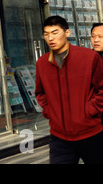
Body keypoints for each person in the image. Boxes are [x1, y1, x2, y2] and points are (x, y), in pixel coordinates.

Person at [35, 16, 103, 164]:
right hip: (60, 138)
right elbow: (40, 93)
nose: (50, 38)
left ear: (67, 32)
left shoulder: (89, 57)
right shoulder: (42, 63)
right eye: (46, 34)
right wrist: (50, 111)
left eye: (55, 32)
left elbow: (101, 89)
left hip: (91, 134)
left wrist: (90, 110)